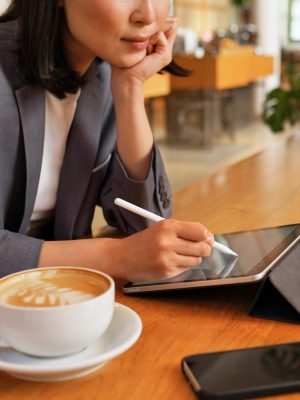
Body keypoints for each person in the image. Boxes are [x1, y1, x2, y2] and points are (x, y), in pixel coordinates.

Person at [0, 0, 214, 282]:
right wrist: (115, 256)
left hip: (55, 303)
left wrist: (129, 88)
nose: (147, 15)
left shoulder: (103, 70)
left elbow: (145, 222)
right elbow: (133, 250)